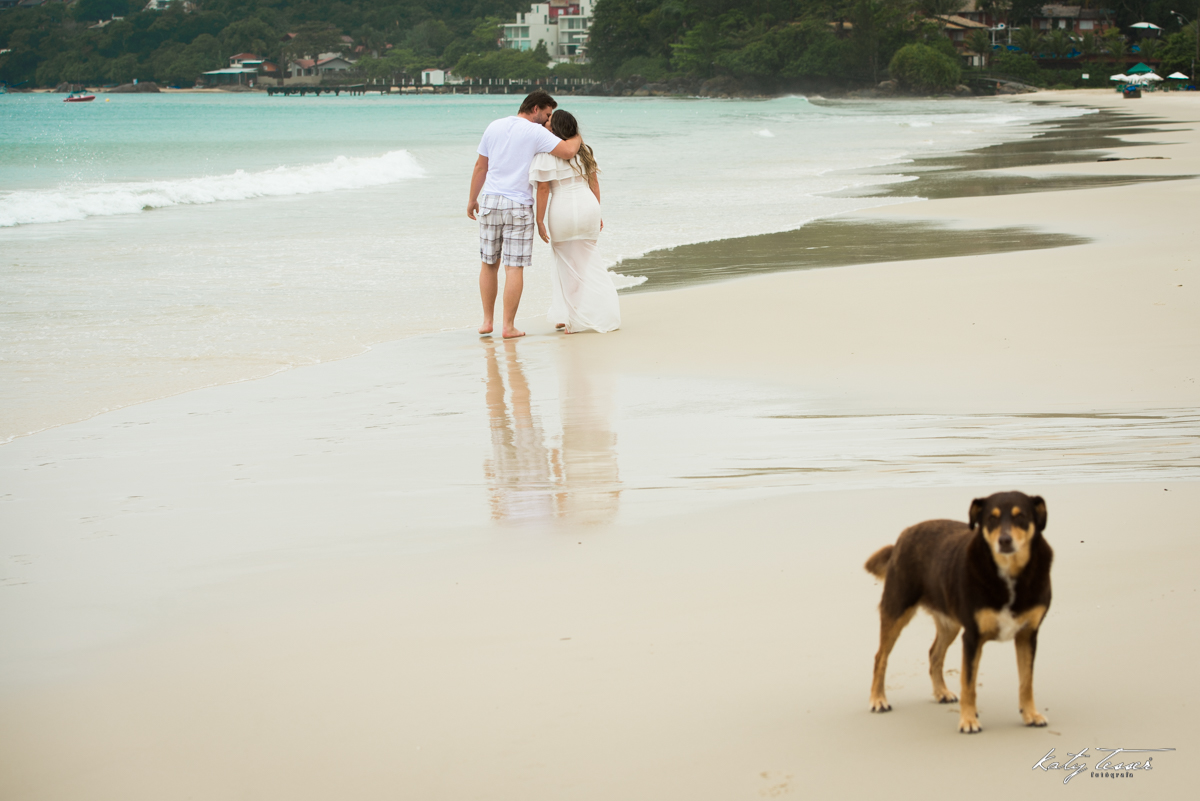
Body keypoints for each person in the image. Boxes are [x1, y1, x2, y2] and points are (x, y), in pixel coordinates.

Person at [468, 91, 582, 339]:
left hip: (489, 201)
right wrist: (577, 134)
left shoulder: (494, 126)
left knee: (488, 264)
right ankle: (508, 326)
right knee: (513, 268)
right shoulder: (536, 132)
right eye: (547, 114)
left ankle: (487, 322)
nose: (548, 120)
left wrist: (472, 199)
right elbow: (568, 152)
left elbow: (481, 166)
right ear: (536, 109)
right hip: (517, 204)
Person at [530, 109, 620, 334]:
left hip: (562, 210)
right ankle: (587, 312)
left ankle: (572, 318)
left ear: (556, 128)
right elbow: (594, 184)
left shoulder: (546, 154)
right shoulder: (585, 151)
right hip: (588, 206)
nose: (546, 124)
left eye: (549, 121)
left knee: (566, 265)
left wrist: (539, 220)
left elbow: (542, 189)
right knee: (587, 262)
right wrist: (597, 212)